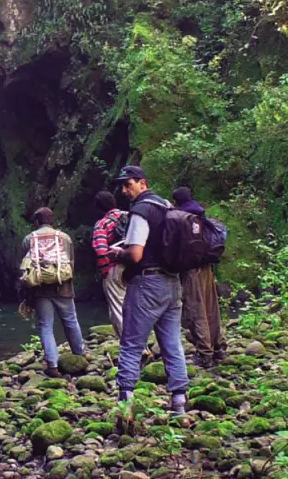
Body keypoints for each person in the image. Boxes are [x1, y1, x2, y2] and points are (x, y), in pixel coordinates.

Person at [112, 165, 190, 415]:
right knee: (172, 344)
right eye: (123, 185)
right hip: (173, 283)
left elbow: (135, 254)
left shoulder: (141, 211)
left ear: (142, 183)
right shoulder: (167, 206)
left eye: (129, 184)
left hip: (147, 283)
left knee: (132, 343)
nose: (125, 190)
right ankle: (179, 403)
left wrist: (119, 252)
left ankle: (126, 405)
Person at [21, 207, 87, 378]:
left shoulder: (29, 239)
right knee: (71, 321)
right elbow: (71, 263)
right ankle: (80, 355)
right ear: (52, 221)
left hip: (40, 290)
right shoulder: (64, 237)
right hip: (63, 286)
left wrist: (28, 296)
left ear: (36, 222)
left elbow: (26, 268)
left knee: (45, 326)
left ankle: (52, 365)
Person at [172, 186, 228, 367]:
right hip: (206, 266)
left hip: (191, 269)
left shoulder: (181, 218)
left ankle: (204, 353)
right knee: (211, 306)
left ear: (175, 201)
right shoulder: (200, 214)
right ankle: (219, 346)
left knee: (196, 310)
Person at [92, 191, 130, 336]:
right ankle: (142, 343)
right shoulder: (130, 215)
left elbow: (101, 250)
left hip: (114, 268)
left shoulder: (102, 223)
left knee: (118, 309)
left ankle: (132, 348)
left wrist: (104, 271)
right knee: (135, 307)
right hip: (135, 265)